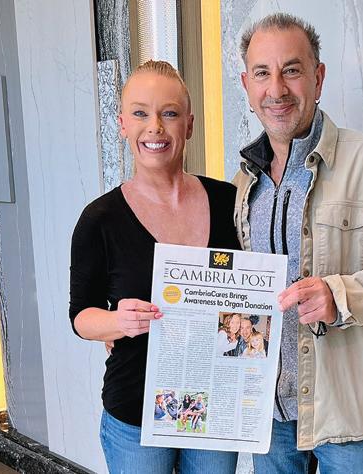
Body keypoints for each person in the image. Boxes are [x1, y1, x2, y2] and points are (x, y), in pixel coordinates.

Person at [232, 13, 363, 473]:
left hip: (349, 417)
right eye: (262, 73)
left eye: (291, 70)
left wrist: (339, 295)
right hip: (270, 414)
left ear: (318, 77)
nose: (277, 89)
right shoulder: (244, 183)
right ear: (247, 86)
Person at [69, 60, 240, 474]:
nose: (155, 127)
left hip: (215, 407)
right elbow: (80, 318)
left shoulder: (230, 202)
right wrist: (117, 322)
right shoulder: (100, 219)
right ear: (122, 124)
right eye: (141, 113)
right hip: (136, 415)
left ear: (189, 124)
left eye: (169, 113)